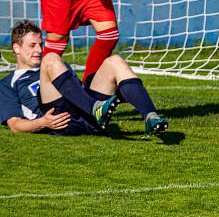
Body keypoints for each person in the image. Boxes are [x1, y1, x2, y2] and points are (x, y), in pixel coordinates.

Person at [0, 21, 168, 136]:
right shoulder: (8, 84)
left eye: (40, 45)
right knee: (51, 59)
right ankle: (94, 109)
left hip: (88, 114)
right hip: (61, 120)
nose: (38, 50)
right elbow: (15, 124)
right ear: (16, 48)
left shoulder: (55, 65)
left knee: (114, 61)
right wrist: (43, 122)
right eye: (32, 45)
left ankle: (150, 116)